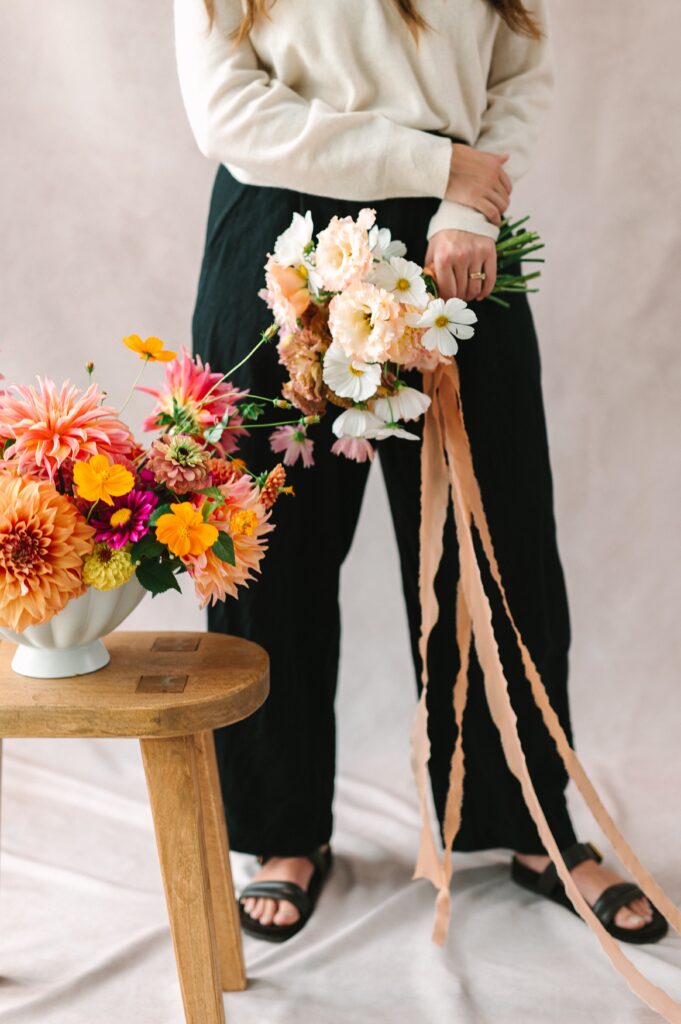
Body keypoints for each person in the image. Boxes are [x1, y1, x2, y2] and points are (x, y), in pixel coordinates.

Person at [173, 0, 665, 944]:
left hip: (455, 238)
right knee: (269, 551)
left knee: (497, 546)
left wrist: (460, 202)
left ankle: (529, 825)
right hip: (279, 224)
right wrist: (443, 165)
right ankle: (281, 833)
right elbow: (227, 115)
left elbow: (518, 74)